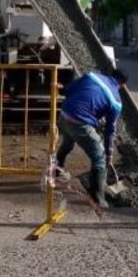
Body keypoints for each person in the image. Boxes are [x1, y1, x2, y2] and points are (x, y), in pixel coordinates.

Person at [55, 69, 127, 208]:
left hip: (64, 115)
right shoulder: (116, 102)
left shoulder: (91, 76)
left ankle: (56, 172)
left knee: (68, 143)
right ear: (123, 85)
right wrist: (108, 153)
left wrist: (60, 88)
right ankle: (98, 199)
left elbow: (68, 89)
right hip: (80, 123)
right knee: (99, 158)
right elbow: (109, 130)